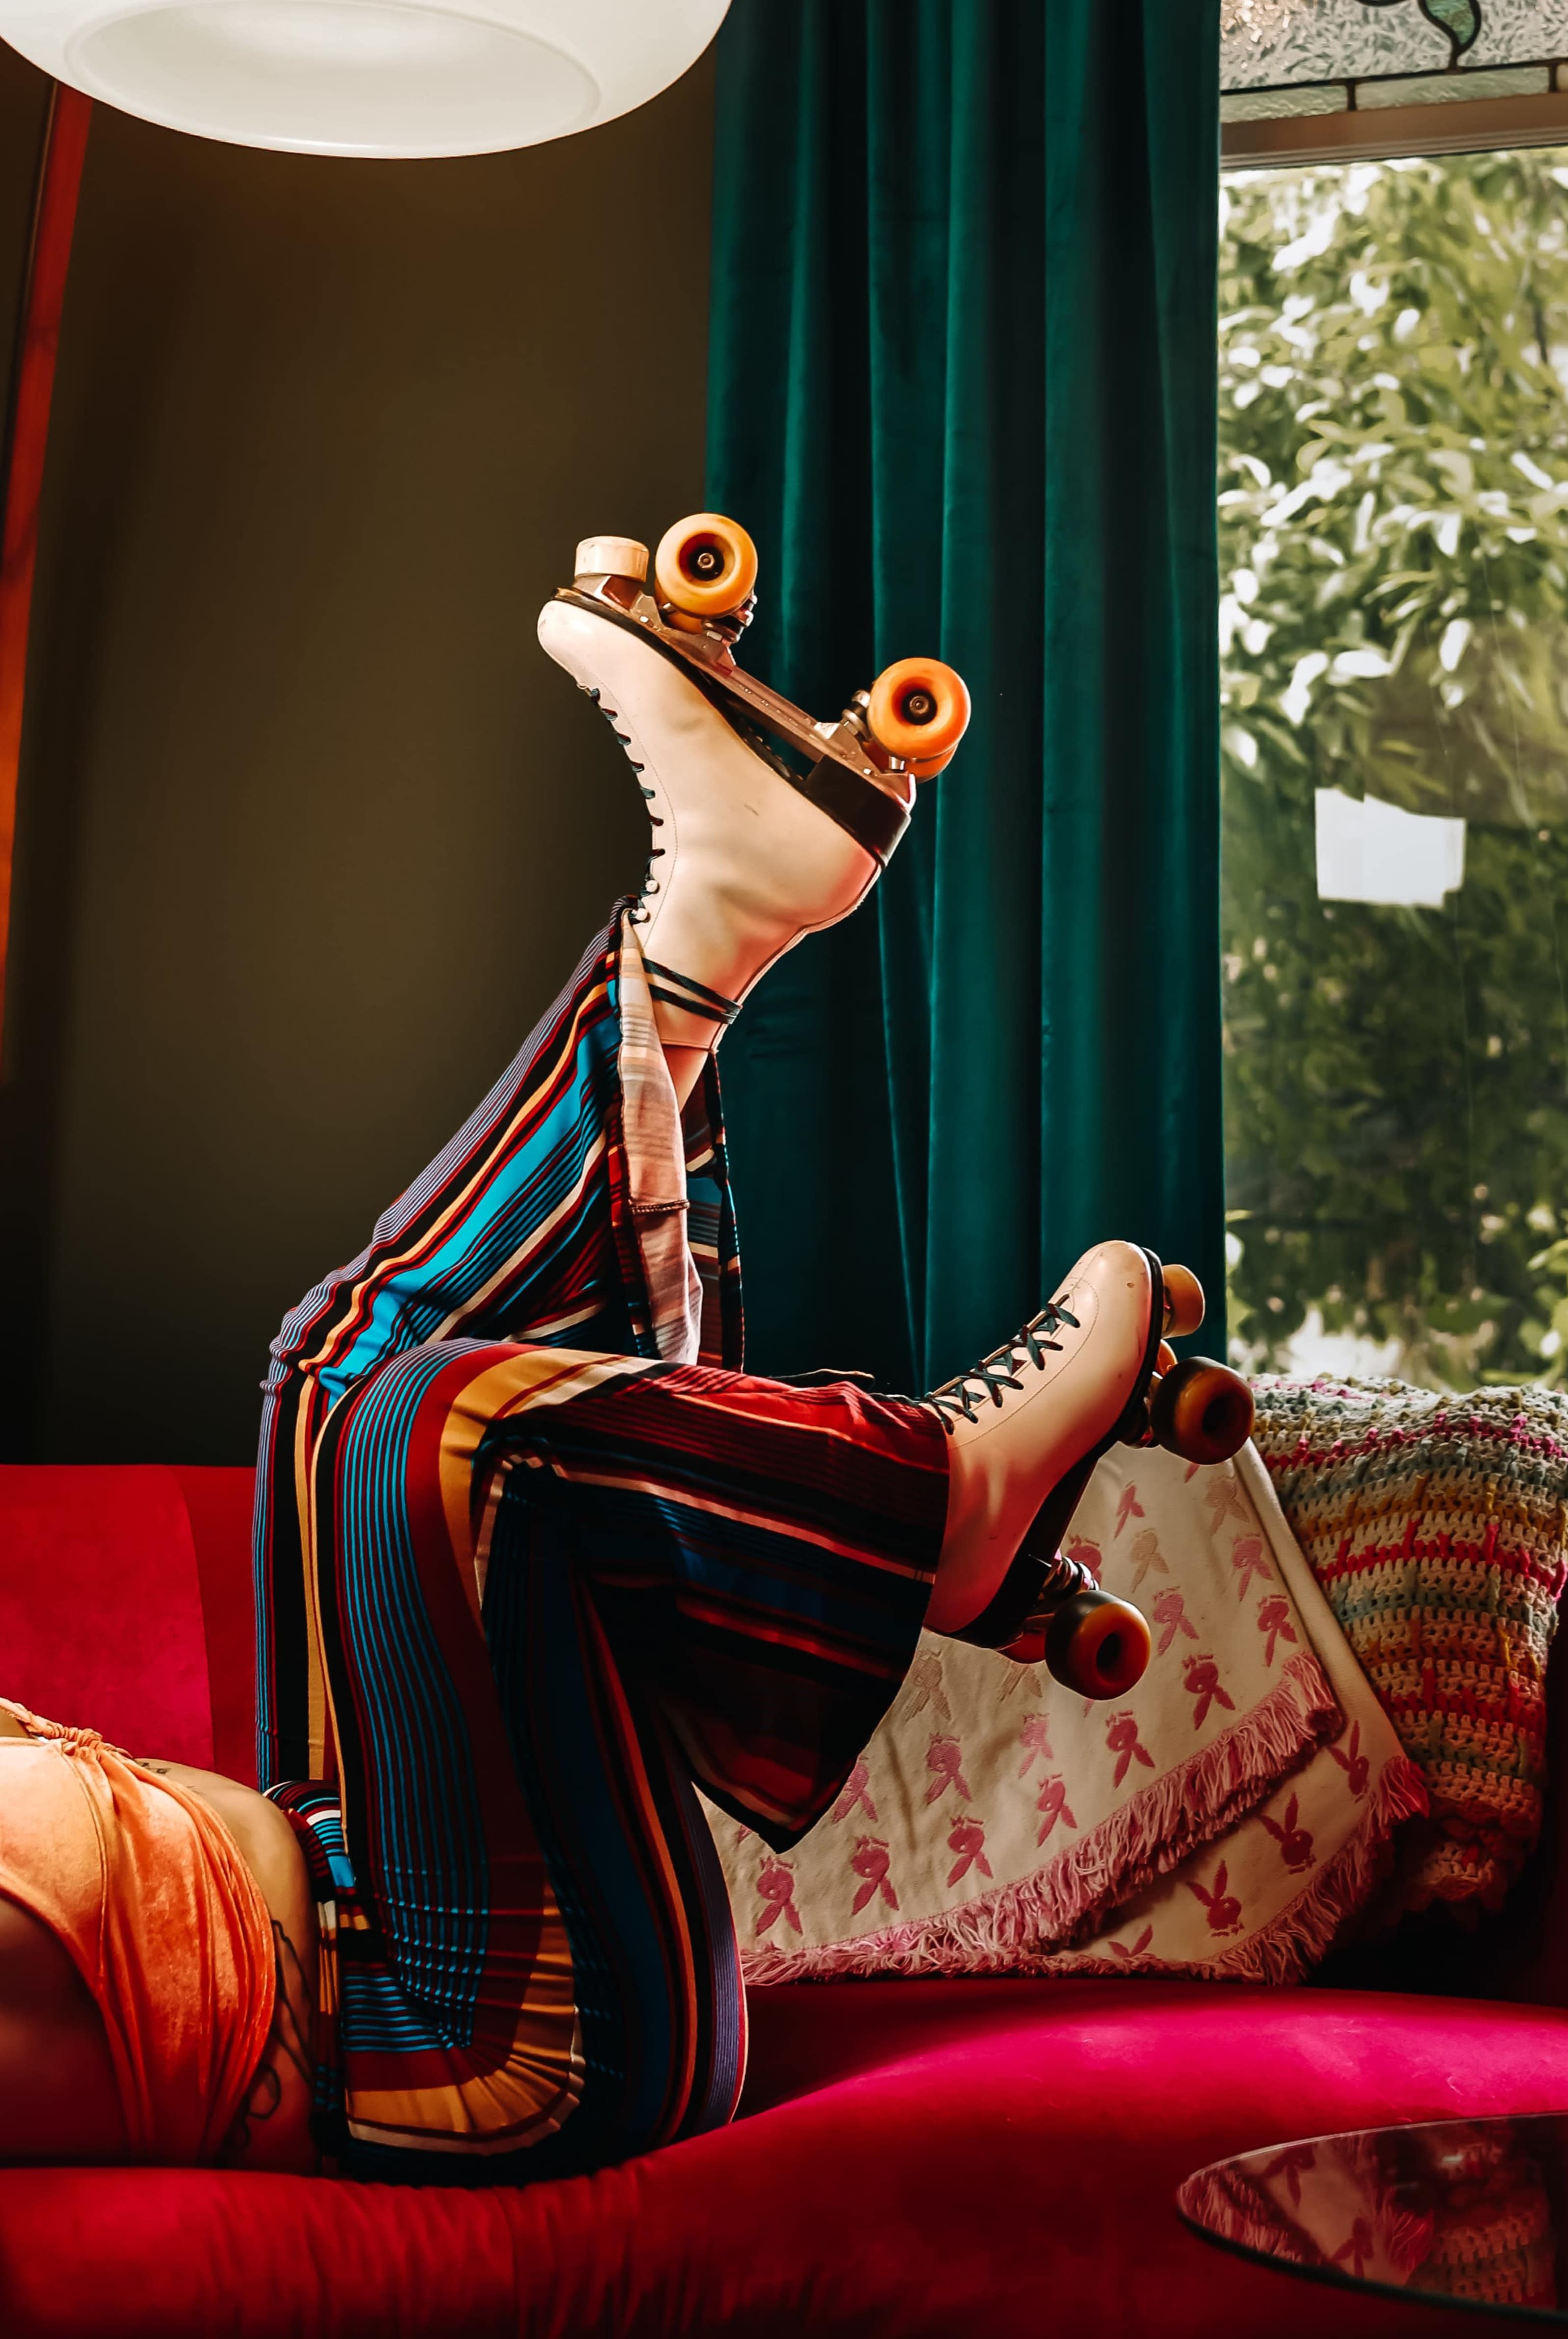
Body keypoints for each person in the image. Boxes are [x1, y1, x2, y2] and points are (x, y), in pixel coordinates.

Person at [0, 558, 1195, 2180]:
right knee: (451, 1437)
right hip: (479, 2038)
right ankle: (935, 1494)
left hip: (353, 1863)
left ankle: (712, 921)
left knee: (343, 1371)